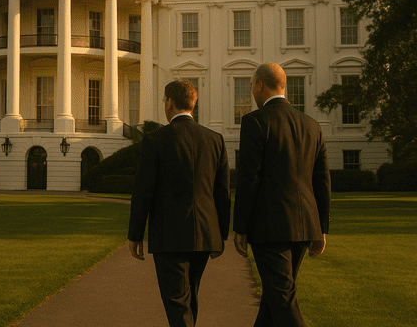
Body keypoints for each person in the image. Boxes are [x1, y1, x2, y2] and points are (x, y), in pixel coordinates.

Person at [233, 62, 331, 327]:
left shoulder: (255, 121)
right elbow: (321, 180)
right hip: (305, 226)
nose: (252, 91)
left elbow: (249, 178)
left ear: (260, 85)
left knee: (282, 298)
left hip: (270, 227)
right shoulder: (311, 124)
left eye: (252, 86)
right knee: (275, 298)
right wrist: (321, 227)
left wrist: (240, 227)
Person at [128, 80, 231, 327]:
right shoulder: (215, 139)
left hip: (169, 235)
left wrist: (135, 235)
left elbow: (144, 191)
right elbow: (222, 192)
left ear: (169, 102)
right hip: (205, 234)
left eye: (165, 101)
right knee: (189, 297)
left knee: (177, 302)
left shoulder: (156, 139)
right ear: (193, 104)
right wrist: (221, 236)